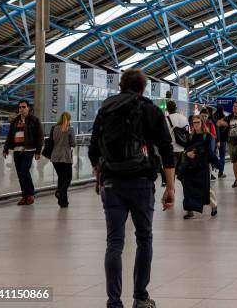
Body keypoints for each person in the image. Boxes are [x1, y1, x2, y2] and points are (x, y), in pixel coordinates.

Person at [89, 69, 175, 308]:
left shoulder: (106, 108)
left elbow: (92, 150)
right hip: (141, 181)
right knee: (144, 238)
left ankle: (114, 302)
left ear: (120, 85)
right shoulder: (149, 109)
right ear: (144, 87)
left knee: (114, 243)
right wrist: (170, 187)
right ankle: (141, 297)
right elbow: (166, 150)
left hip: (111, 182)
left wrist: (101, 175)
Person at [3, 100, 43, 206]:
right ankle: (24, 196)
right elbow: (9, 136)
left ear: (28, 108)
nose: (21, 109)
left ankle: (30, 194)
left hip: (28, 150)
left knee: (24, 171)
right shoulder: (15, 121)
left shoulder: (34, 120)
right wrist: (5, 148)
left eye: (24, 107)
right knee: (20, 174)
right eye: (20, 107)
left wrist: (38, 151)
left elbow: (40, 136)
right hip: (16, 151)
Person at [180, 115, 220, 219]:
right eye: (194, 123)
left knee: (206, 188)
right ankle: (189, 210)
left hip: (203, 165)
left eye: (198, 122)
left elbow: (210, 153)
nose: (196, 125)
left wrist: (218, 165)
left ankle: (214, 205)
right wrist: (188, 153)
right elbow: (186, 149)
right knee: (188, 187)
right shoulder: (190, 136)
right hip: (191, 166)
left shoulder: (208, 136)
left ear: (202, 123)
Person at [50, 111, 76, 208]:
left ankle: (63, 202)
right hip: (65, 157)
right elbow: (73, 143)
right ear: (69, 119)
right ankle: (59, 192)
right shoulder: (70, 129)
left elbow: (52, 141)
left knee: (61, 178)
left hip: (55, 157)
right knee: (68, 178)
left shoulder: (55, 128)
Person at [165, 100, 189, 175]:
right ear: (176, 108)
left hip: (171, 149)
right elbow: (188, 132)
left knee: (171, 172)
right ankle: (186, 186)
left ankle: (172, 186)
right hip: (183, 148)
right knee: (183, 172)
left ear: (167, 109)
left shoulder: (166, 119)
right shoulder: (184, 118)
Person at [199, 108, 218, 181]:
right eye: (202, 116)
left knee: (208, 161)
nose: (204, 118)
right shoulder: (196, 123)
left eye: (205, 116)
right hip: (199, 147)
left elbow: (214, 136)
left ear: (208, 116)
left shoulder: (210, 124)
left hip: (208, 147)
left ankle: (209, 175)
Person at [212, 106, 228, 178]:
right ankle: (220, 172)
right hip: (223, 139)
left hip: (214, 139)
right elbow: (226, 126)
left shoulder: (213, 117)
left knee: (212, 155)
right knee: (222, 156)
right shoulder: (224, 117)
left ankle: (211, 173)